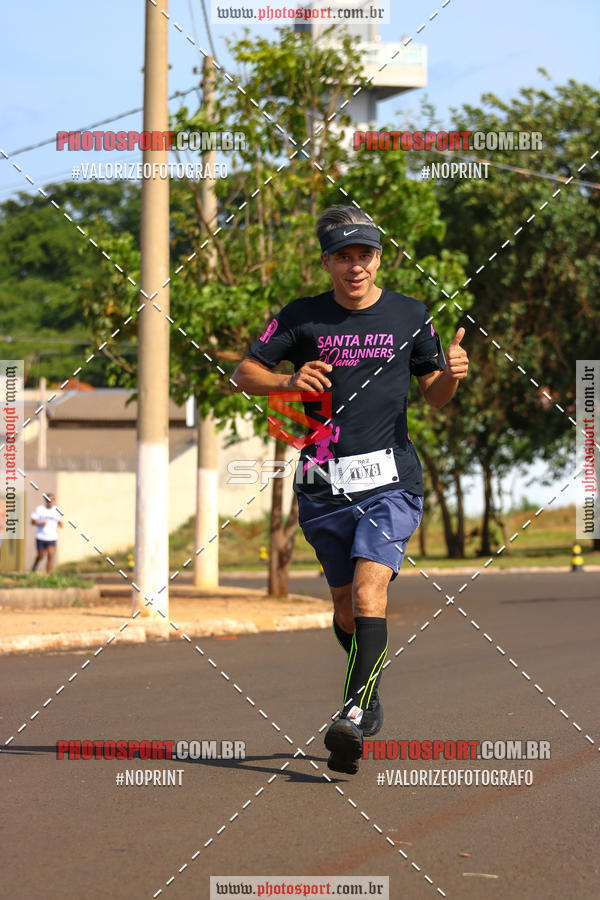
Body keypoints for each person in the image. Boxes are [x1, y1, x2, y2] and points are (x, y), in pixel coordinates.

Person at [231, 205, 469, 775]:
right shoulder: (302, 316)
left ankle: (355, 712)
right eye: (343, 255)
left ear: (378, 258)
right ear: (327, 262)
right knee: (343, 609)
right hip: (321, 483)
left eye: (364, 254)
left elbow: (434, 394)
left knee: (368, 594)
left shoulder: (410, 314)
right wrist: (286, 381)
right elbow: (243, 372)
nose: (355, 265)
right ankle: (371, 692)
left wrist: (453, 374)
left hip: (391, 482)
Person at [31, 493, 63, 573]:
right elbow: (32, 521)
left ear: (54, 501)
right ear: (45, 500)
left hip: (52, 537)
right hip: (41, 537)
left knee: (50, 555)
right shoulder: (40, 509)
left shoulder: (57, 510)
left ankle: (48, 575)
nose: (50, 502)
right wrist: (40, 523)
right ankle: (34, 566)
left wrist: (61, 524)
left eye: (51, 500)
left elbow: (60, 522)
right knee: (41, 556)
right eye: (48, 500)